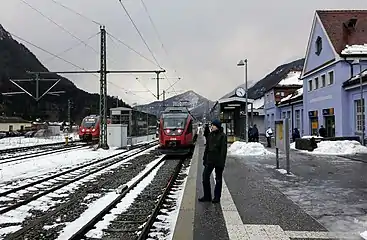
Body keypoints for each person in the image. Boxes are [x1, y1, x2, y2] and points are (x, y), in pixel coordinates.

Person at [199, 119, 227, 203]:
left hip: (218, 160)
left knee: (218, 179)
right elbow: (207, 148)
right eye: (211, 125)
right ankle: (207, 196)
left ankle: (217, 197)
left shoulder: (223, 136)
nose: (211, 127)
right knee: (205, 177)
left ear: (217, 126)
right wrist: (204, 158)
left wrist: (221, 163)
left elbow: (223, 151)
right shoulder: (210, 135)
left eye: (213, 125)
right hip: (209, 159)